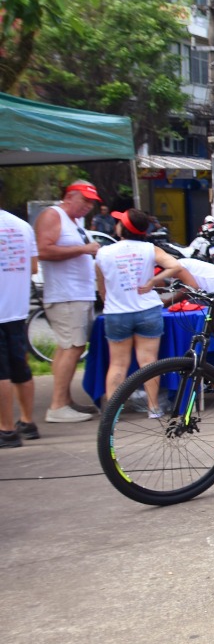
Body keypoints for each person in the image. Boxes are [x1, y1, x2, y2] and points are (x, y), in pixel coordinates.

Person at [96, 209, 195, 416]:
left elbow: (101, 286)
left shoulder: (104, 252)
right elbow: (175, 266)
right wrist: (154, 281)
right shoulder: (150, 249)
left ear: (123, 227)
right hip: (148, 310)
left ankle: (112, 413)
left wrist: (109, 301)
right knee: (149, 362)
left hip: (117, 313)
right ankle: (154, 408)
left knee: (118, 364)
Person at [35, 181, 101, 422]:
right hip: (65, 295)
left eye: (91, 203)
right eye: (84, 200)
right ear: (70, 196)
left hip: (77, 294)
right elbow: (43, 250)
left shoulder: (74, 221)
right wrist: (83, 249)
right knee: (71, 347)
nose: (88, 206)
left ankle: (64, 400)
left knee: (72, 347)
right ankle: (57, 406)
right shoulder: (53, 215)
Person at [0, 205, 40, 447]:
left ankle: (5, 430)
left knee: (1, 374)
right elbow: (34, 268)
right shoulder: (22, 226)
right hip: (16, 308)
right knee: (20, 367)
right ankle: (27, 422)